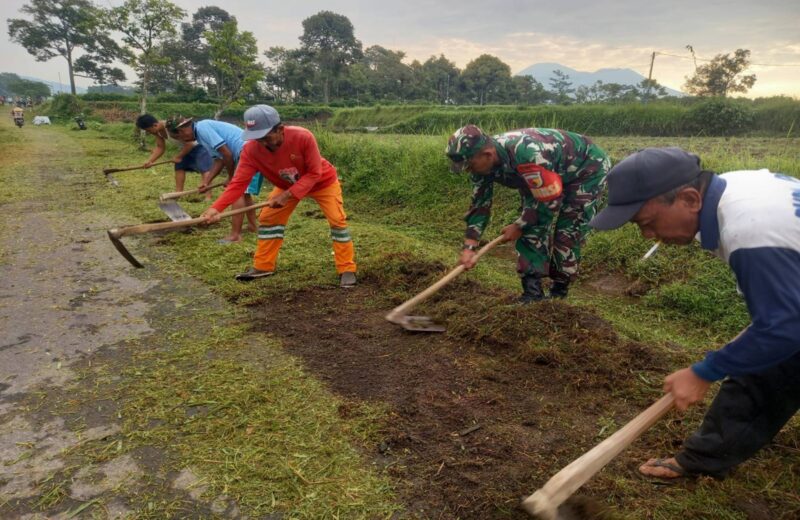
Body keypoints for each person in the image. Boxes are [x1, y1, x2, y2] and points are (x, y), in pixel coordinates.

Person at [589, 147, 800, 480]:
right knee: (767, 364)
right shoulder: (738, 190)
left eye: (647, 222)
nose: (647, 234)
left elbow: (787, 327)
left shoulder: (749, 230)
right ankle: (705, 456)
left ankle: (704, 456)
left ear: (689, 199)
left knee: (775, 354)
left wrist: (704, 372)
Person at [445, 125, 609, 302]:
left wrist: (519, 225)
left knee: (569, 229)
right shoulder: (481, 166)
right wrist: (469, 247)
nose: (468, 170)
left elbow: (548, 204)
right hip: (541, 177)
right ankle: (532, 294)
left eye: (469, 165)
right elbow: (480, 205)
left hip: (585, 170)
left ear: (488, 154)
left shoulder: (529, 154)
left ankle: (558, 293)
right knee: (530, 223)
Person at [201, 105, 357, 287]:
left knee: (337, 221)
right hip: (286, 185)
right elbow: (238, 184)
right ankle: (263, 266)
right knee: (268, 218)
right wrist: (215, 208)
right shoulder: (251, 151)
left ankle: (347, 268)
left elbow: (315, 173)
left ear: (280, 129)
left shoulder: (303, 137)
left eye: (266, 137)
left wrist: (288, 195)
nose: (263, 144)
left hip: (323, 183)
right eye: (257, 139)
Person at [170, 116, 262, 244]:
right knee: (245, 194)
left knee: (237, 193)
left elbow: (227, 154)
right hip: (247, 152)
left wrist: (230, 178)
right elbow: (219, 160)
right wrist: (206, 182)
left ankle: (235, 235)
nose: (183, 141)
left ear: (182, 131)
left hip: (248, 151)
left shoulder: (203, 128)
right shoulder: (201, 136)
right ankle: (253, 226)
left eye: (180, 138)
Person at [135, 114, 213, 197]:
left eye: (149, 130)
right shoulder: (157, 131)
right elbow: (160, 147)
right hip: (186, 147)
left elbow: (190, 143)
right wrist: (150, 161)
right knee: (179, 166)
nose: (149, 132)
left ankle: (208, 196)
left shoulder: (171, 127)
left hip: (200, 145)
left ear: (155, 125)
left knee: (205, 169)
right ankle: (178, 193)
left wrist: (179, 156)